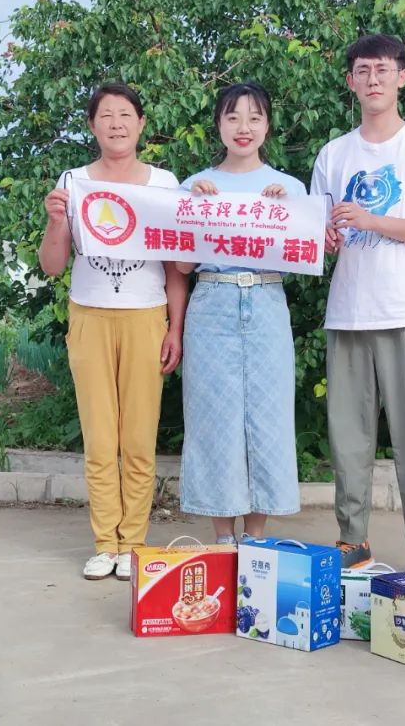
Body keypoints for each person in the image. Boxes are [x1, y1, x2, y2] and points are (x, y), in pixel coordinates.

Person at [311, 34, 405, 579]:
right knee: (348, 437)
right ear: (350, 81)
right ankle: (352, 539)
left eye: (382, 69)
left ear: (403, 77)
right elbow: (320, 234)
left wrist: (370, 219)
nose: (372, 79)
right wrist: (324, 238)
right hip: (347, 312)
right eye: (362, 70)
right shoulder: (333, 154)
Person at [39, 82, 187, 581]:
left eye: (126, 114)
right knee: (100, 439)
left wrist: (175, 328)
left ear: (141, 124)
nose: (116, 123)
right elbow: (52, 266)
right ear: (92, 126)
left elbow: (177, 266)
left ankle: (134, 543)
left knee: (139, 439)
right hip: (90, 316)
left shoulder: (165, 184)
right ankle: (106, 543)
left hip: (147, 317)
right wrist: (55, 221)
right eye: (106, 115)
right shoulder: (73, 181)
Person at [175, 81, 303, 545]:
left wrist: (283, 215)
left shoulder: (290, 188)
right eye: (232, 117)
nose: (243, 127)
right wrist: (197, 213)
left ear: (267, 126)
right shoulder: (193, 186)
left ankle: (256, 538)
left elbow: (301, 262)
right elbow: (182, 267)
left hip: (267, 300)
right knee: (214, 416)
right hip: (212, 301)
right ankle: (222, 537)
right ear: (219, 125)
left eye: (254, 117)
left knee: (269, 415)